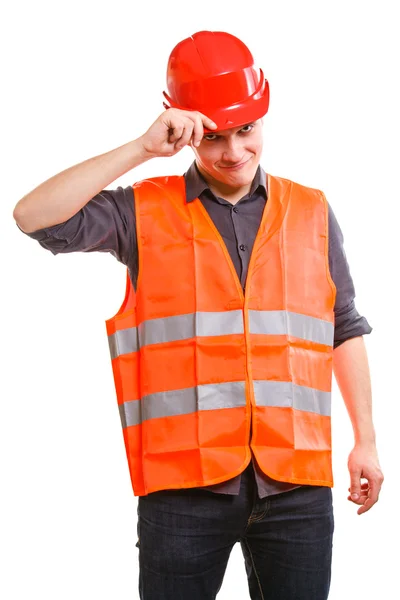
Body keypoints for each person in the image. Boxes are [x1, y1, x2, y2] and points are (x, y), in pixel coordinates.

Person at [13, 30, 383, 600]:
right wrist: (140, 149)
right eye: (212, 137)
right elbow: (35, 217)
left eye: (246, 130)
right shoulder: (140, 211)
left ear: (264, 113)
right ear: (182, 126)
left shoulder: (311, 210)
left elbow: (343, 324)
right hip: (182, 493)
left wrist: (367, 440)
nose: (233, 151)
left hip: (298, 488)